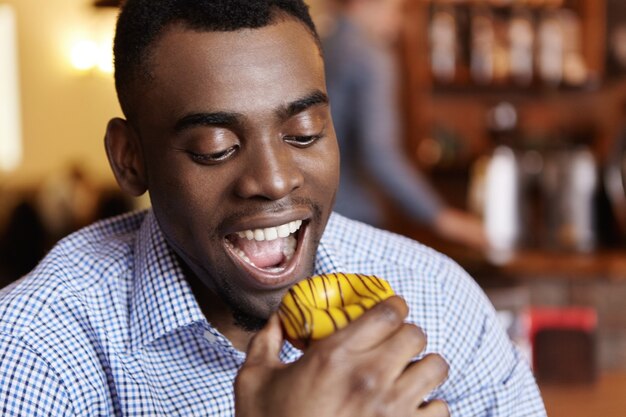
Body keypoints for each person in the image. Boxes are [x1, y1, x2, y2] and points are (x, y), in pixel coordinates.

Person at [0, 1, 546, 415]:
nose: (275, 179)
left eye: (305, 134)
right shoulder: (35, 348)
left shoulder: (440, 299)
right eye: (215, 147)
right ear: (130, 160)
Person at [323, 0, 488, 250]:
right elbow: (379, 154)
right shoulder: (370, 56)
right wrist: (443, 218)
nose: (398, 23)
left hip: (314, 214)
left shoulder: (317, 46)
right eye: (394, 10)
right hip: (355, 217)